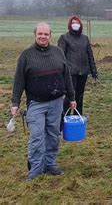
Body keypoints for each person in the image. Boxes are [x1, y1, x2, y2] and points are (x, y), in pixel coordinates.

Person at [11, 22, 76, 180]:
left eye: (46, 34)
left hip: (56, 102)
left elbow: (66, 75)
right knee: (37, 137)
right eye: (40, 34)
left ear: (50, 36)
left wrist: (72, 97)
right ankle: (35, 169)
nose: (43, 36)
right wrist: (15, 103)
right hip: (36, 104)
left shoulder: (58, 52)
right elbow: (19, 80)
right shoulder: (26, 55)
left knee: (53, 134)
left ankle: (50, 163)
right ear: (35, 35)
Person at [58, 16, 98, 116]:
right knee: (69, 97)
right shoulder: (64, 38)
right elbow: (61, 56)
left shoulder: (85, 38)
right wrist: (61, 73)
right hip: (70, 73)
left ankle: (77, 117)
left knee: (79, 97)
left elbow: (90, 55)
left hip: (83, 72)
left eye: (77, 22)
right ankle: (64, 119)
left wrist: (93, 71)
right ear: (70, 25)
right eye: (73, 22)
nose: (75, 24)